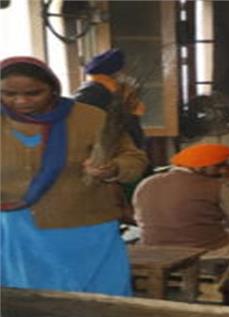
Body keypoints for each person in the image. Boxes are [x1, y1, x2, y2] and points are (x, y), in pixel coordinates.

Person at [0, 56, 148, 295]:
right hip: (16, 231)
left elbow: (134, 159)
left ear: (53, 88)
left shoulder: (89, 118)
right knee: (29, 303)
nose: (21, 101)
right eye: (8, 94)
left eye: (34, 93)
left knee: (97, 301)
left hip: (84, 227)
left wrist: (112, 168)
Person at [132, 143, 229, 256]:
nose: (223, 171)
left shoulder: (146, 183)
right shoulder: (215, 186)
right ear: (199, 166)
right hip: (206, 252)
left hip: (154, 251)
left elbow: (140, 218)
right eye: (218, 166)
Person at [73, 48, 145, 149]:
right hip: (106, 156)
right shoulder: (90, 95)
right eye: (124, 71)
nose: (128, 76)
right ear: (115, 74)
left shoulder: (117, 92)